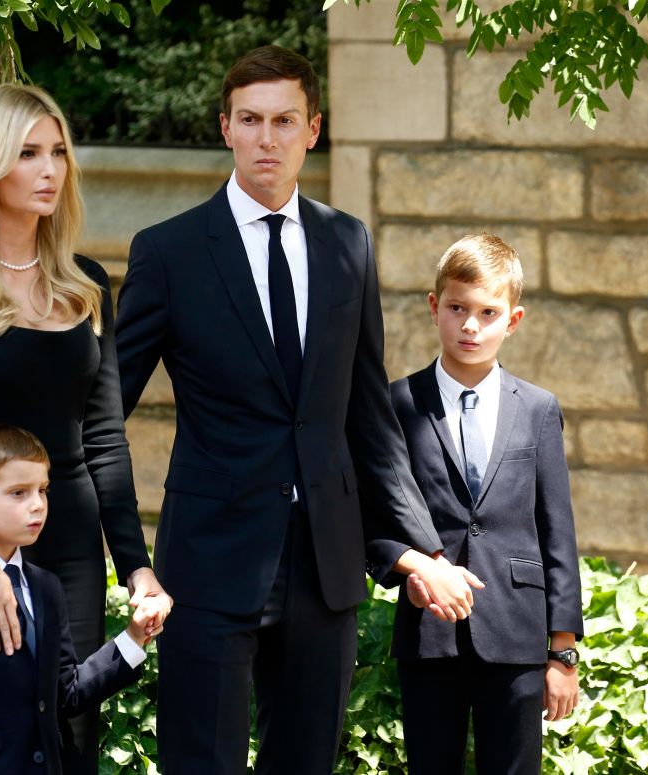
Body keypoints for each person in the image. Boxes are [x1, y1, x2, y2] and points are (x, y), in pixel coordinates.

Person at [114, 45, 477, 774]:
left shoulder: (348, 242)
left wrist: (422, 546)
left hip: (325, 565)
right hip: (210, 562)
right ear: (225, 127)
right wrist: (129, 559)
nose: (267, 138)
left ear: (314, 128)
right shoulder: (169, 252)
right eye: (250, 120)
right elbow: (101, 416)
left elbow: (368, 416)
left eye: (284, 120)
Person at [0, 83, 170, 774]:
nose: (51, 170)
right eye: (28, 154)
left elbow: (104, 437)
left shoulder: (85, 284)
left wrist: (134, 564)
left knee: (69, 726)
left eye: (58, 152)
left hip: (70, 540)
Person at [368, 234, 584, 774]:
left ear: (512, 320)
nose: (470, 325)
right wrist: (404, 567)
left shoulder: (537, 409)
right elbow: (371, 517)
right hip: (428, 631)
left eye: (487, 313)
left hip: (517, 631)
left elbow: (557, 530)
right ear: (434, 307)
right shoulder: (396, 403)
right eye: (458, 308)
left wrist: (562, 654)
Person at [0, 424, 159, 775]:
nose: (38, 504)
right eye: (18, 493)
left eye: (43, 489)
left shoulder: (46, 589)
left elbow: (65, 693)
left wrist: (133, 638)